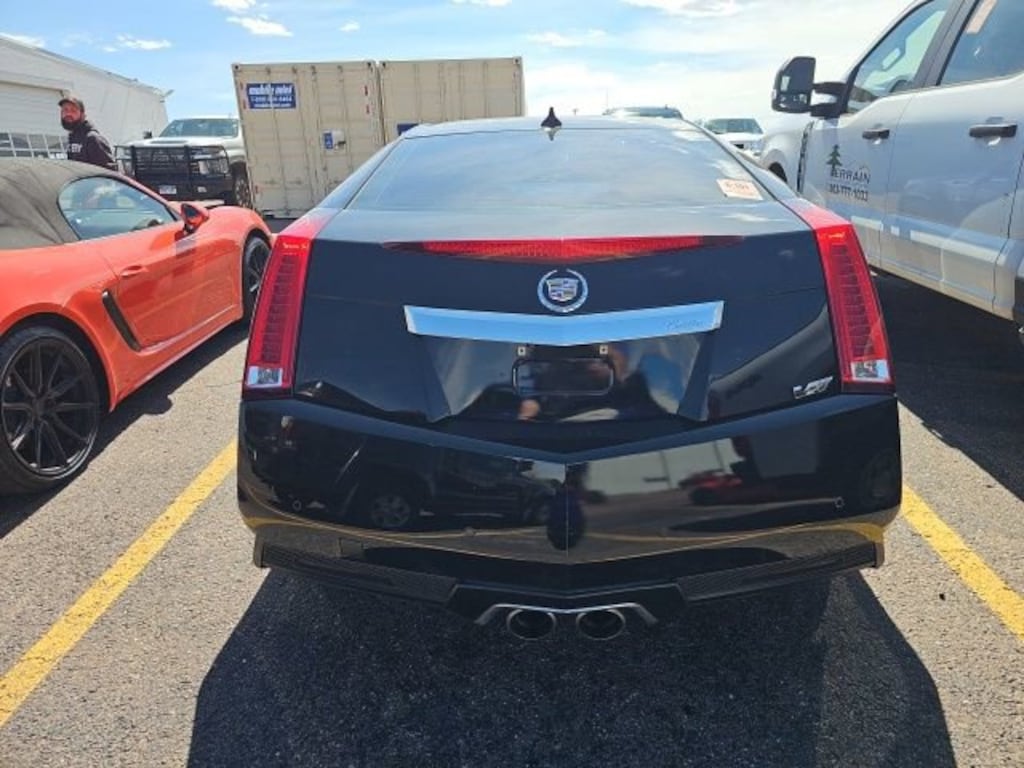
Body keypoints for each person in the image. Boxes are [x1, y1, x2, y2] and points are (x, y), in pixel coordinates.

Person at [59, 96, 116, 170]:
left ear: (83, 115)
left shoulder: (93, 139)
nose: (68, 114)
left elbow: (109, 173)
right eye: (65, 110)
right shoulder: (72, 136)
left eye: (73, 110)